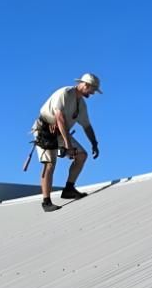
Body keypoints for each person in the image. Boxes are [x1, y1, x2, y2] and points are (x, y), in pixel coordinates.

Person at [33, 73, 102, 212]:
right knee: (49, 164)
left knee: (81, 155)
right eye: (92, 90)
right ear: (85, 85)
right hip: (45, 131)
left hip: (61, 133)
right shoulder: (65, 93)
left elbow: (87, 126)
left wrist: (94, 143)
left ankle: (69, 189)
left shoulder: (81, 104)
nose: (93, 93)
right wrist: (68, 145)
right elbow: (60, 118)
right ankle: (46, 202)